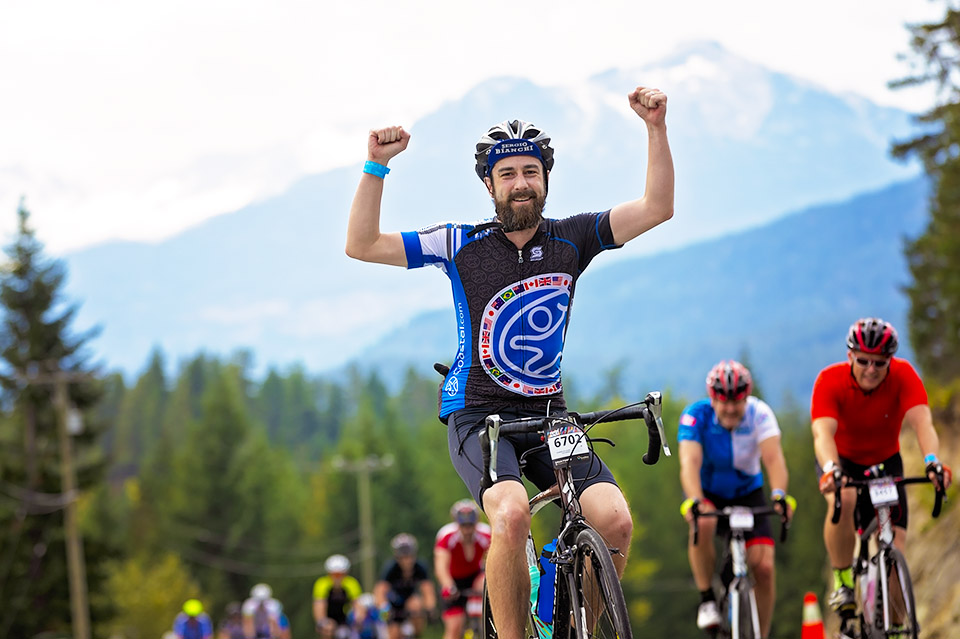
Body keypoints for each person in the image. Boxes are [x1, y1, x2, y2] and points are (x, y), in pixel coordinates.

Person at [345, 85, 673, 639]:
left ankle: (578, 627)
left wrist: (655, 128)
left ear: (545, 178)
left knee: (614, 520)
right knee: (513, 513)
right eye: (508, 174)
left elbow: (657, 208)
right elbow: (362, 244)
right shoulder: (459, 244)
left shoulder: (573, 238)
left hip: (550, 417)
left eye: (531, 171)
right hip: (481, 417)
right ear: (489, 184)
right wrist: (376, 166)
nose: (521, 183)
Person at [811, 318, 953, 616]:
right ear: (850, 356)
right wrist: (830, 469)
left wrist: (932, 462)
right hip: (841, 461)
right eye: (863, 361)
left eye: (880, 362)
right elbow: (822, 433)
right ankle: (843, 581)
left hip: (886, 462)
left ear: (891, 360)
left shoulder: (903, 375)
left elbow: (923, 423)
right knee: (845, 499)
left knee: (895, 550)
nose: (871, 370)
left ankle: (897, 628)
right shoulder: (829, 380)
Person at [677, 360, 794, 639]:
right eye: (723, 402)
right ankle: (707, 598)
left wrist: (779, 494)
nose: (730, 408)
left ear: (746, 397)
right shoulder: (696, 415)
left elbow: (774, 459)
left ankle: (761, 633)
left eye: (737, 402)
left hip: (748, 494)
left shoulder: (759, 413)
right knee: (702, 521)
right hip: (708, 494)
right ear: (712, 398)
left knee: (764, 568)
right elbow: (689, 463)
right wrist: (694, 500)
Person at [434, 500, 491, 639]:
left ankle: (480, 623)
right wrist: (448, 586)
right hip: (453, 582)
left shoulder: (486, 534)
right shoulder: (446, 536)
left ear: (476, 523)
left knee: (485, 583)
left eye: (470, 525)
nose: (467, 530)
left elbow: (494, 562)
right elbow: (441, 567)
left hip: (475, 577)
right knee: (454, 628)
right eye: (463, 525)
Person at [374, 533, 437, 639]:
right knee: (394, 634)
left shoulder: (420, 567)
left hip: (411, 602)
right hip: (394, 605)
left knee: (416, 605)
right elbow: (380, 590)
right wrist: (383, 607)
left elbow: (427, 589)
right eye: (403, 556)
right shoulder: (391, 568)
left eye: (409, 556)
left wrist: (430, 608)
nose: (407, 560)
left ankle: (416, 635)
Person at [314, 554, 364, 639]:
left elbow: (358, 604)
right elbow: (319, 605)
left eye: (340, 574)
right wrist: (321, 622)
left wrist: (359, 620)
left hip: (345, 618)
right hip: (329, 616)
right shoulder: (321, 584)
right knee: (327, 629)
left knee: (346, 634)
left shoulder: (351, 583)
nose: (337, 577)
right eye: (334, 574)